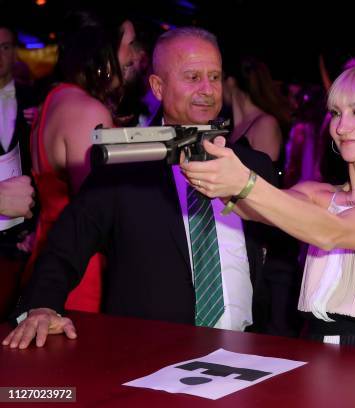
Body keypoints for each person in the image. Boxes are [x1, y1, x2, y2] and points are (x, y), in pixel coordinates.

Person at [2, 27, 275, 349]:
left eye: (214, 77)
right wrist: (42, 307)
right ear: (158, 87)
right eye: (192, 77)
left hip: (246, 351)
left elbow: (279, 264)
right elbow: (66, 246)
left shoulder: (253, 165)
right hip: (149, 352)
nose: (207, 89)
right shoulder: (124, 167)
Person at [180, 61, 355, 352]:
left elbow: (333, 231)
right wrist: (216, 177)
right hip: (313, 345)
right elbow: (255, 208)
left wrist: (244, 182)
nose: (341, 127)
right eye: (336, 113)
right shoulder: (317, 193)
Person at [23, 11, 127, 313]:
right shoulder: (87, 111)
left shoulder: (56, 98)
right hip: (80, 271)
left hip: (49, 255)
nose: (137, 57)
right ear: (104, 55)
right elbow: (97, 209)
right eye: (130, 46)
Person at [223, 56, 291, 171]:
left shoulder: (265, 124)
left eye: (217, 79)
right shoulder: (235, 126)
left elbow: (266, 178)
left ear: (230, 82)